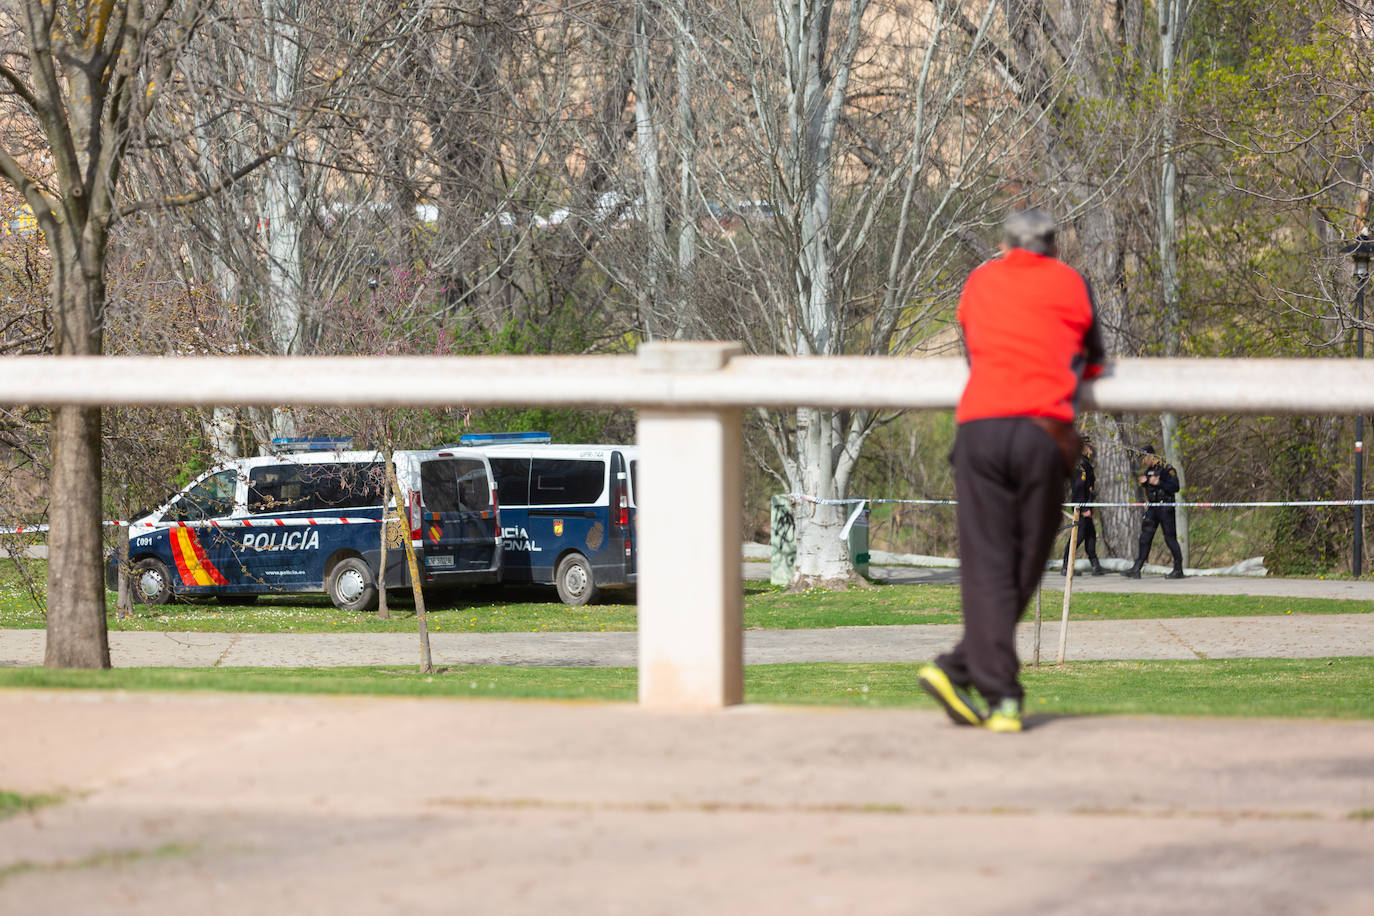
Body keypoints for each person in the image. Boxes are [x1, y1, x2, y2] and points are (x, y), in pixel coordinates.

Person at [918, 208, 1106, 733]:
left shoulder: (978, 281)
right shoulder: (1073, 283)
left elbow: (973, 349)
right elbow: (1092, 364)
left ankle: (958, 669)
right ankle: (1001, 694)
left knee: (987, 569)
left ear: (1006, 244)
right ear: (1053, 246)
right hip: (1041, 435)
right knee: (1024, 567)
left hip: (981, 429)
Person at [1123, 445, 1185, 579]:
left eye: (1144, 458)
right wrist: (1145, 483)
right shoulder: (1149, 470)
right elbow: (1150, 485)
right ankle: (1137, 567)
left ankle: (1178, 569)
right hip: (1153, 508)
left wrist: (1159, 483)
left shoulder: (1167, 469)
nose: (1143, 461)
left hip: (1165, 507)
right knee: (1145, 537)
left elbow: (1175, 487)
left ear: (1151, 456)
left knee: (1170, 538)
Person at [1062, 438, 1106, 576]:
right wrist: (1084, 508)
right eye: (1089, 446)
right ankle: (1066, 566)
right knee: (1078, 537)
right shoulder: (1080, 464)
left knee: (1091, 535)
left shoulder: (1085, 463)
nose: (1091, 449)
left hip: (1086, 503)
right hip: (1081, 507)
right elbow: (1079, 487)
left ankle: (1095, 565)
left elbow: (1088, 486)